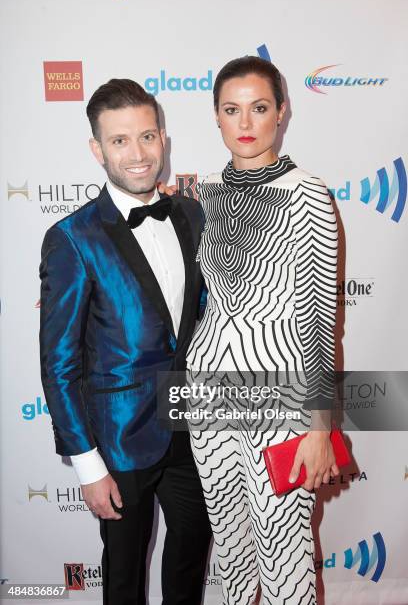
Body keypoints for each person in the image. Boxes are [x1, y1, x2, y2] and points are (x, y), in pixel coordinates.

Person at [39, 78, 212, 605]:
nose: (138, 155)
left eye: (147, 136)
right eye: (119, 141)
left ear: (163, 138)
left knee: (191, 555)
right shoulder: (72, 237)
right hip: (118, 440)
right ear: (97, 149)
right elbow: (60, 363)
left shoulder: (191, 213)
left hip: (194, 428)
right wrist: (89, 466)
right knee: (123, 577)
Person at [184, 56, 339, 604]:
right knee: (229, 550)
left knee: (284, 554)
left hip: (279, 398)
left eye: (258, 107)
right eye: (231, 109)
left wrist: (319, 427)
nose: (245, 122)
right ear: (217, 118)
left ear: (282, 113)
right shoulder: (205, 194)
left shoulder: (307, 194)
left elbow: (320, 320)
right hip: (207, 394)